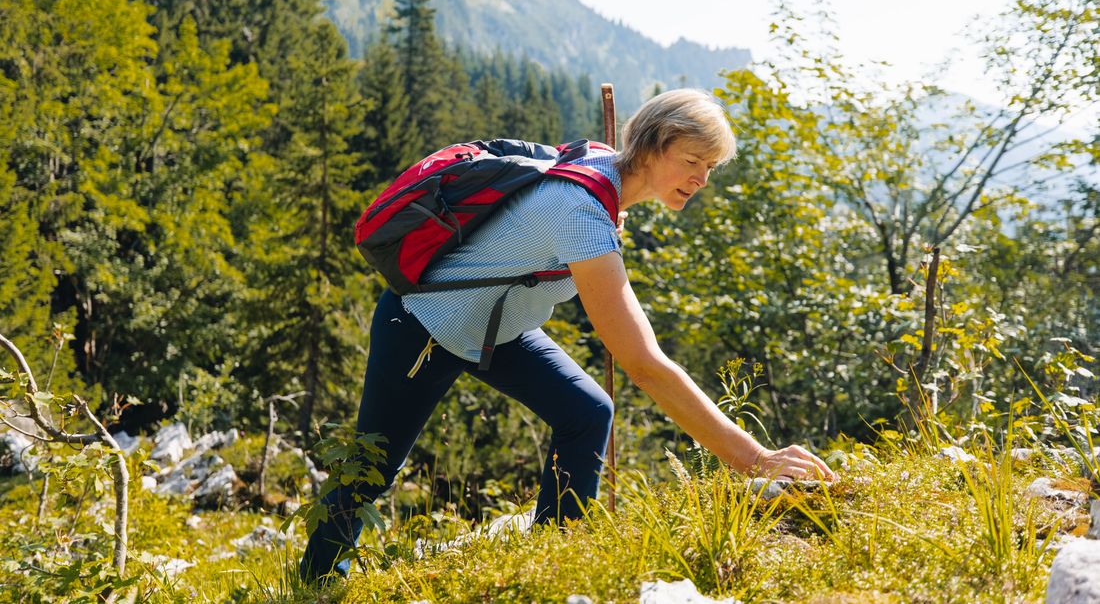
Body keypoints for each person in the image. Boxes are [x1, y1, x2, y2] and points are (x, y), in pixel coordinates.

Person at [299, 88, 836, 582]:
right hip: (425, 325)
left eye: (710, 166)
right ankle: (317, 584)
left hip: (497, 330)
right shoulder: (581, 213)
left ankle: (557, 555)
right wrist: (753, 459)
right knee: (372, 469)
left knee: (587, 412)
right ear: (650, 147)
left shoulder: (601, 175)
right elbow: (643, 363)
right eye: (692, 161)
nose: (701, 179)